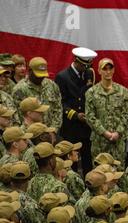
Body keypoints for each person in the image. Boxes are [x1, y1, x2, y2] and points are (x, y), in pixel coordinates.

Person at [55, 47, 97, 175]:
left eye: (88, 65)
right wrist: (74, 115)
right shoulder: (62, 77)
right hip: (71, 126)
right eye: (84, 65)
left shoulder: (88, 74)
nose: (86, 68)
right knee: (71, 161)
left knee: (87, 161)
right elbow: (60, 102)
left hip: (85, 126)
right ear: (76, 61)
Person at [85, 58, 128, 170]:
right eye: (104, 69)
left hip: (118, 141)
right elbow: (90, 116)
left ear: (114, 70)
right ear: (99, 71)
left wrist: (117, 132)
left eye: (110, 68)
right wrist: (104, 132)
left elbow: (126, 115)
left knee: (118, 171)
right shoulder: (91, 93)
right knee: (99, 172)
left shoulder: (123, 92)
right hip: (99, 141)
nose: (108, 72)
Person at [12, 57, 63, 132]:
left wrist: (53, 130)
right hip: (31, 134)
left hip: (51, 132)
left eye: (43, 75)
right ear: (29, 71)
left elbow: (58, 109)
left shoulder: (51, 85)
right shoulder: (19, 90)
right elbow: (19, 117)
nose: (41, 77)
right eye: (38, 75)